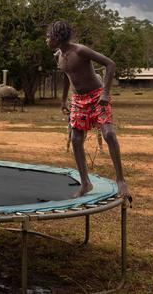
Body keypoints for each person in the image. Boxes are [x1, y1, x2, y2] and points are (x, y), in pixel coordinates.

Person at [47, 20, 131, 201]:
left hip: (96, 95)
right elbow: (66, 76)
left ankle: (121, 180)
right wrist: (63, 100)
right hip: (78, 100)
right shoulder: (58, 56)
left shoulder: (80, 51)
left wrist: (105, 94)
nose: (46, 40)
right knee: (76, 139)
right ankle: (85, 182)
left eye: (48, 37)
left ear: (57, 37)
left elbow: (110, 64)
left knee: (108, 133)